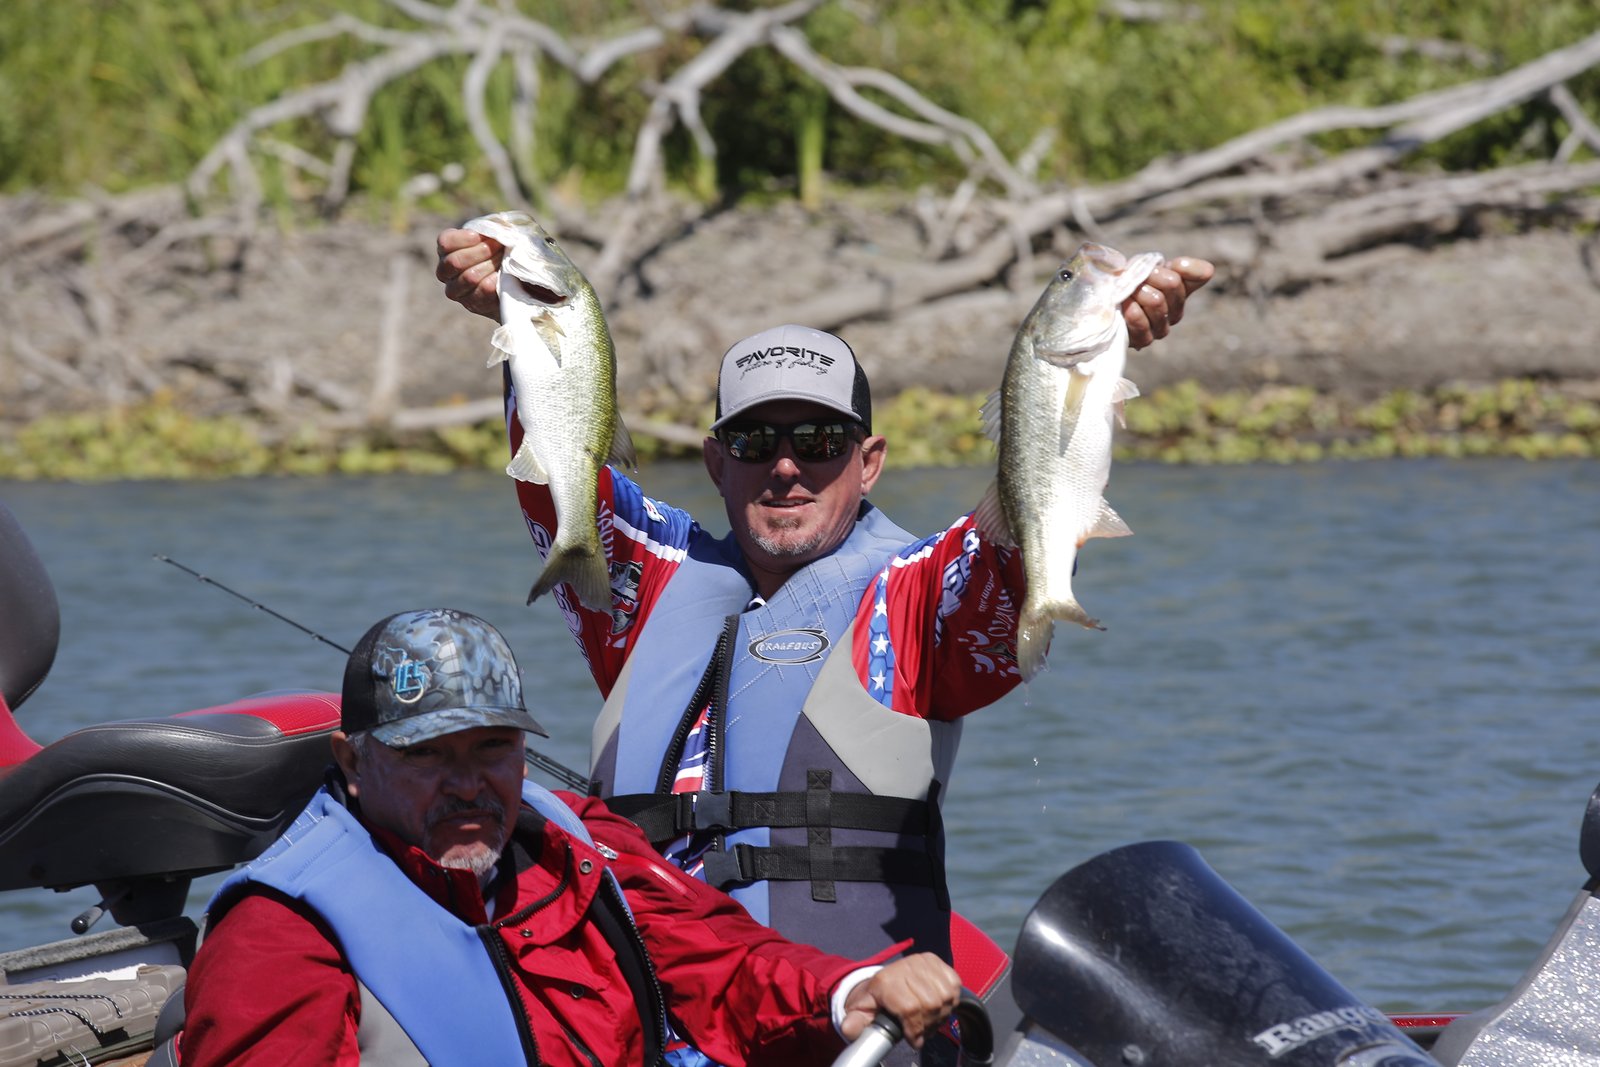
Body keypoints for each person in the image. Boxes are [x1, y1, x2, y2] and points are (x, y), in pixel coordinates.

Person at [434, 226, 1213, 986]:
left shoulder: (909, 594)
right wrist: (520, 318)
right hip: (648, 1021)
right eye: (751, 442)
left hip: (843, 1031)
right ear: (714, 461)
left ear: (869, 461)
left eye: (818, 440)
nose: (784, 467)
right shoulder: (649, 581)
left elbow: (1012, 558)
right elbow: (559, 480)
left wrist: (1097, 352)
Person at [178, 608, 961, 1067]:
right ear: (353, 760)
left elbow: (722, 963)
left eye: (492, 748)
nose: (467, 783)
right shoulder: (278, 932)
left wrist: (851, 991)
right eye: (426, 753)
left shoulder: (580, 840)